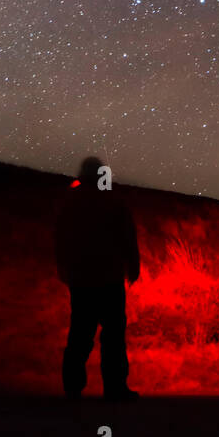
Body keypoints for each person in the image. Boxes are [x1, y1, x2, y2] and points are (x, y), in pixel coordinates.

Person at [55, 156, 141, 401]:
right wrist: (132, 265)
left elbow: (61, 237)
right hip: (109, 276)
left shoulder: (71, 201)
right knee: (113, 334)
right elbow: (127, 236)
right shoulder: (112, 200)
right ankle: (115, 388)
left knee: (80, 332)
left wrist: (63, 266)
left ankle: (72, 388)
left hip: (81, 277)